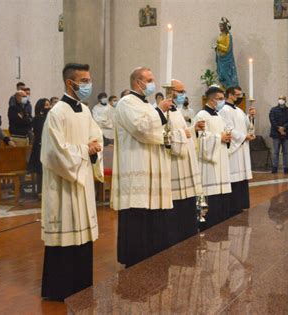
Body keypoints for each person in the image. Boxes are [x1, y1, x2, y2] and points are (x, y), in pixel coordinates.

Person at [40, 63, 103, 301]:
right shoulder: (56, 113)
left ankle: (81, 285)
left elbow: (94, 136)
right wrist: (85, 150)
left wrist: (94, 148)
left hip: (82, 180)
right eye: (84, 81)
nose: (88, 85)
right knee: (64, 237)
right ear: (70, 83)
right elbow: (55, 153)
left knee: (82, 237)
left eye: (89, 80)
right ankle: (59, 289)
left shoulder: (85, 111)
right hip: (64, 184)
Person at [111, 67, 173, 267]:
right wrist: (160, 111)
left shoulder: (147, 105)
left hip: (152, 167)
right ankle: (135, 258)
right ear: (138, 82)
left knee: (153, 217)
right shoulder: (126, 102)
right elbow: (141, 129)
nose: (153, 83)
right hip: (136, 167)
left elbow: (157, 132)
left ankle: (152, 257)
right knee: (137, 215)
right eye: (150, 79)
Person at [166, 79, 203, 245]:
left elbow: (184, 133)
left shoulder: (177, 110)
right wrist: (185, 134)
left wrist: (192, 130)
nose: (183, 95)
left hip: (184, 161)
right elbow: (165, 137)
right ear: (170, 91)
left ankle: (187, 232)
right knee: (176, 203)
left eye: (183, 92)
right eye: (180, 92)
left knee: (187, 200)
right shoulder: (163, 111)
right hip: (174, 164)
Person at [192, 86, 232, 230]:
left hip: (220, 158)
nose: (223, 101)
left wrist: (227, 138)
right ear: (211, 99)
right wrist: (219, 137)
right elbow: (201, 139)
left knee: (221, 197)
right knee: (210, 198)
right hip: (208, 163)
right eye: (220, 99)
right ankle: (208, 224)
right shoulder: (202, 115)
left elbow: (222, 134)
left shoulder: (218, 115)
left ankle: (221, 222)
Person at [219, 86, 255, 217]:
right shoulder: (223, 110)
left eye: (241, 95)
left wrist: (250, 117)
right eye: (237, 95)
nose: (240, 98)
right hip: (234, 150)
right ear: (229, 95)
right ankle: (233, 206)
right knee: (234, 177)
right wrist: (243, 137)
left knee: (242, 178)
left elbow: (247, 127)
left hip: (242, 147)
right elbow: (227, 128)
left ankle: (241, 204)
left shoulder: (239, 111)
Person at [28, 98, 51, 195]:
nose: (48, 107)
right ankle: (40, 191)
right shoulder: (37, 119)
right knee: (40, 170)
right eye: (46, 105)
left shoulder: (50, 117)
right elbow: (38, 131)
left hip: (49, 146)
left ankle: (49, 190)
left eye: (49, 105)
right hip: (39, 146)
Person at [269, 95, 288, 174]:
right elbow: (272, 120)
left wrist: (284, 127)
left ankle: (286, 168)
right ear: (278, 100)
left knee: (285, 152)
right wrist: (278, 128)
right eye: (279, 98)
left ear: (285, 101)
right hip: (276, 134)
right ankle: (275, 167)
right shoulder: (273, 110)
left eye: (283, 99)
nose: (281, 100)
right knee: (275, 151)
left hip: (286, 133)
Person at [215, 17, 238, 88]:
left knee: (226, 73)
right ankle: (224, 86)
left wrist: (218, 46)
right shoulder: (221, 35)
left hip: (226, 59)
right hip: (220, 58)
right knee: (221, 73)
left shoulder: (228, 36)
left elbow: (227, 48)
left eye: (221, 26)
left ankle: (230, 86)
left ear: (225, 27)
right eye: (219, 26)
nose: (220, 27)